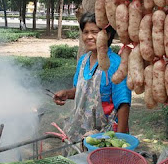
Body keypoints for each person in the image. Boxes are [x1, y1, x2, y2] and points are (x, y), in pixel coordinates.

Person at [53, 12, 131, 143]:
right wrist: (67, 93)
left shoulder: (116, 64)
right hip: (81, 132)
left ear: (108, 34)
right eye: (85, 32)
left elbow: (123, 105)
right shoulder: (83, 61)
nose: (89, 37)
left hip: (106, 137)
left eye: (95, 32)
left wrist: (120, 141)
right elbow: (80, 90)